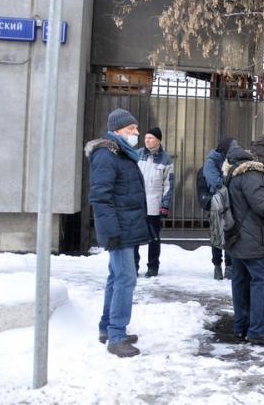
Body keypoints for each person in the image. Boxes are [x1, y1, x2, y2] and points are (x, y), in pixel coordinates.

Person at [86, 108, 150, 358]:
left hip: (126, 227)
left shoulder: (121, 153)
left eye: (135, 128)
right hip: (120, 230)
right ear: (117, 130)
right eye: (132, 129)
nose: (136, 133)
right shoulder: (107, 155)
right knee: (126, 279)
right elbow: (100, 197)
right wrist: (111, 231)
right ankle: (116, 336)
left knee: (116, 278)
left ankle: (107, 328)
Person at [223, 144, 264, 346]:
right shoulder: (251, 174)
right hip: (250, 238)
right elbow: (263, 207)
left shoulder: (233, 171)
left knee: (240, 280)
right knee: (261, 280)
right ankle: (258, 331)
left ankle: (242, 327)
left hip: (236, 236)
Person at [135, 127, 173, 278]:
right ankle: (133, 266)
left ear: (158, 140)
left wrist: (165, 204)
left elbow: (169, 184)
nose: (147, 140)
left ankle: (153, 267)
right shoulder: (137, 155)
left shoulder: (166, 159)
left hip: (154, 205)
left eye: (150, 138)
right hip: (137, 204)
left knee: (154, 238)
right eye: (145, 138)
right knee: (135, 237)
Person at [203, 137, 237, 281]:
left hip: (230, 201)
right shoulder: (211, 162)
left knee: (229, 232)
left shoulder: (230, 160)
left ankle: (229, 267)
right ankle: (217, 265)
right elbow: (215, 182)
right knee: (217, 234)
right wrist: (228, 178)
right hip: (216, 201)